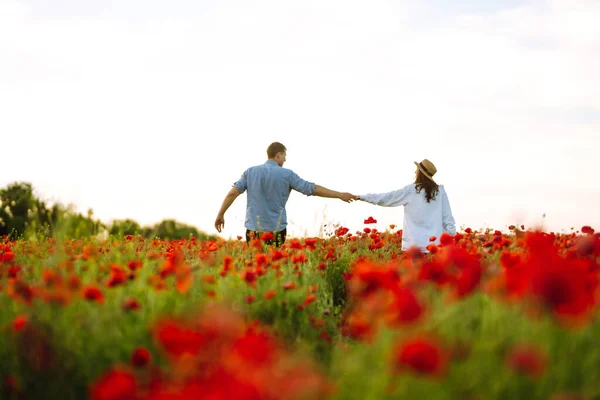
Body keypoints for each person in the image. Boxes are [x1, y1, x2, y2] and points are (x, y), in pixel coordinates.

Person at [215, 142, 357, 246]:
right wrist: (339, 194)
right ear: (278, 154)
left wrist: (220, 214)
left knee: (256, 269)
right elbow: (311, 189)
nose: (285, 159)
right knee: (274, 269)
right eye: (284, 156)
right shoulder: (287, 174)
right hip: (277, 230)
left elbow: (232, 194)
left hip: (253, 230)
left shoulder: (250, 172)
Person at [358, 159, 456, 251]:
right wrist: (445, 240)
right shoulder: (440, 191)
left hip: (413, 248)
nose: (415, 172)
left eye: (417, 170)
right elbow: (448, 219)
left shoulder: (411, 190)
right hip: (434, 247)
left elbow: (387, 198)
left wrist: (360, 197)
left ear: (420, 173)